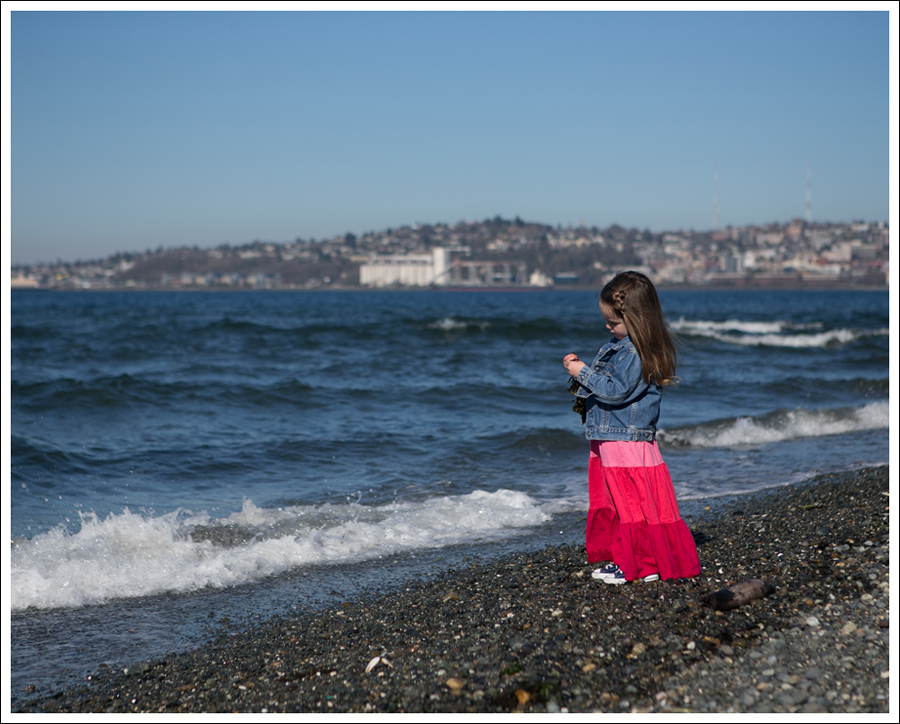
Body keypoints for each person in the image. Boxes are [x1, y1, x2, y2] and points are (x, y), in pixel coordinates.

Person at [562, 271, 700, 585]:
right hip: (617, 437)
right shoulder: (628, 345)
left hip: (625, 439)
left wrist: (581, 371)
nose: (607, 327)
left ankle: (641, 564)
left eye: (613, 322)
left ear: (636, 319)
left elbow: (615, 391)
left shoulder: (635, 351)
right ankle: (641, 559)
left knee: (631, 503)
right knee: (628, 501)